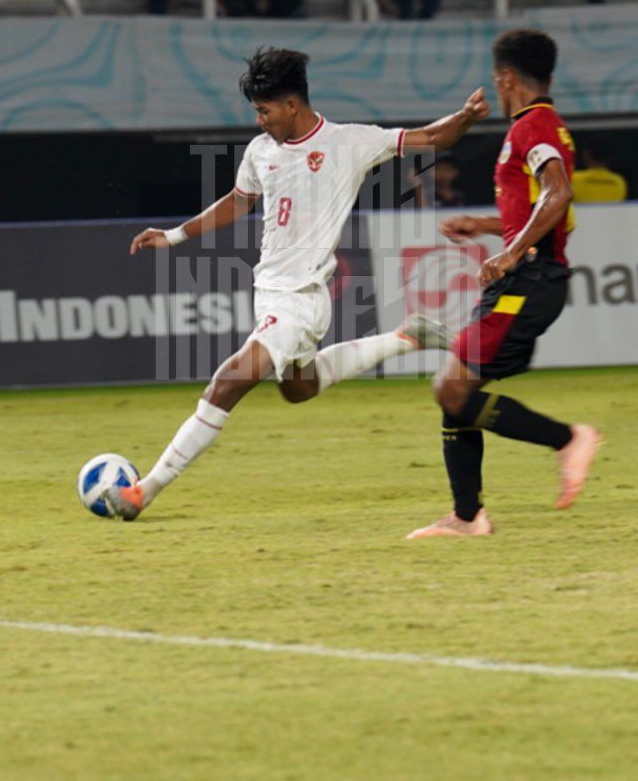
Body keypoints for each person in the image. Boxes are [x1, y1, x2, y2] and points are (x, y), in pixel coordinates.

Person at [101, 48, 492, 520]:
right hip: (270, 293)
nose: (261, 121)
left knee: (227, 383)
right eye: (257, 112)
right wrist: (175, 235)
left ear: (292, 105)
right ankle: (406, 336)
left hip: (301, 301)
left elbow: (430, 137)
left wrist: (466, 117)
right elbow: (239, 202)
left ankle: (143, 491)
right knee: (298, 389)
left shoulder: (349, 143)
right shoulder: (259, 151)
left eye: (265, 111)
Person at [414, 29, 602, 538]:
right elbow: (550, 210)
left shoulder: (533, 128)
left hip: (530, 277)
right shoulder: (540, 126)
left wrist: (512, 252)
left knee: (451, 388)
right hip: (530, 274)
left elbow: (558, 195)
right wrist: (484, 226)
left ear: (506, 78)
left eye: (496, 80)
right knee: (459, 389)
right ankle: (467, 516)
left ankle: (567, 439)